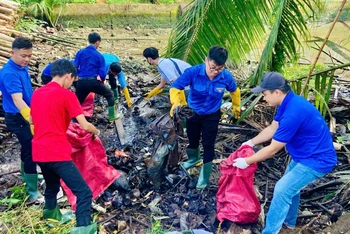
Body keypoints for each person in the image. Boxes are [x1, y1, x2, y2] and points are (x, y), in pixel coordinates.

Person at [232, 72, 337, 234]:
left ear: (277, 92)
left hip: (317, 160)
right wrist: (252, 142)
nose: (264, 98)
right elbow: (273, 129)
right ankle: (289, 223)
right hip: (304, 155)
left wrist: (247, 161)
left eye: (265, 94)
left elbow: (273, 149)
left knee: (282, 189)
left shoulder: (293, 113)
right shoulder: (287, 103)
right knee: (290, 188)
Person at [31, 59, 100, 233]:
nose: (71, 85)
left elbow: (32, 120)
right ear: (69, 76)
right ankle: (83, 228)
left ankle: (51, 218)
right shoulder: (66, 95)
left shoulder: (37, 93)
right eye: (72, 81)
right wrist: (96, 132)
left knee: (52, 186)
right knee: (84, 192)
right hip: (57, 152)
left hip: (38, 152)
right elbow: (84, 125)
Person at [169, 46, 241, 189]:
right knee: (192, 138)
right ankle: (193, 159)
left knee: (209, 144)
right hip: (193, 113)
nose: (215, 72)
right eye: (213, 67)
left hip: (212, 115)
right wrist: (176, 103)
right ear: (206, 60)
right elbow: (176, 87)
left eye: (219, 68)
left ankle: (205, 175)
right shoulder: (193, 72)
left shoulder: (226, 76)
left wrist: (236, 107)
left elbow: (234, 91)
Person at [0, 37, 42, 202]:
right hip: (17, 117)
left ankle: (27, 176)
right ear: (12, 53)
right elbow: (17, 99)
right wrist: (30, 118)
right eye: (23, 55)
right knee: (31, 150)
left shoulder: (21, 67)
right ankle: (32, 191)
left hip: (26, 114)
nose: (27, 59)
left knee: (28, 148)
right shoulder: (9, 73)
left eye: (29, 56)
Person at [74, 32, 118, 121]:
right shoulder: (99, 56)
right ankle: (112, 117)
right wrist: (102, 81)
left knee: (77, 103)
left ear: (88, 41)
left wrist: (79, 76)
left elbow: (75, 66)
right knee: (109, 94)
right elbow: (102, 73)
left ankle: (74, 121)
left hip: (81, 82)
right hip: (93, 82)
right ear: (97, 42)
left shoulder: (80, 53)